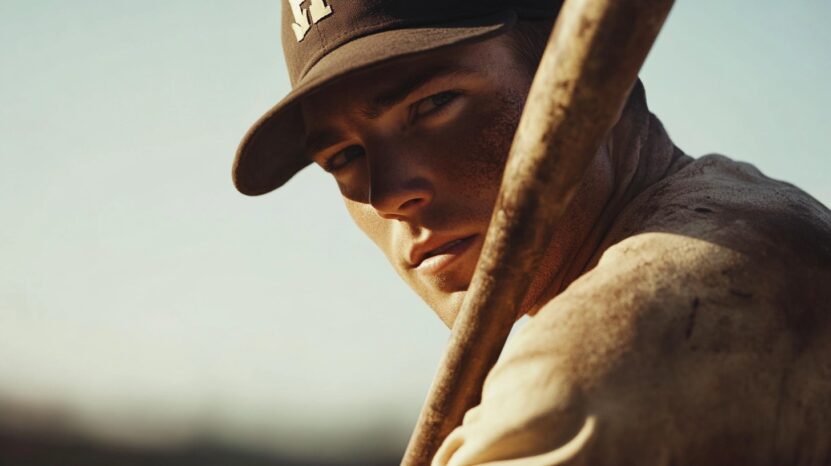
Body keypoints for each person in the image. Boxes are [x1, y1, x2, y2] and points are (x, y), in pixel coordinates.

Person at [232, 1, 831, 464]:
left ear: (590, 82)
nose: (387, 195)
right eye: (340, 158)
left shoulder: (596, 363)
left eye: (434, 102)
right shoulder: (745, 215)